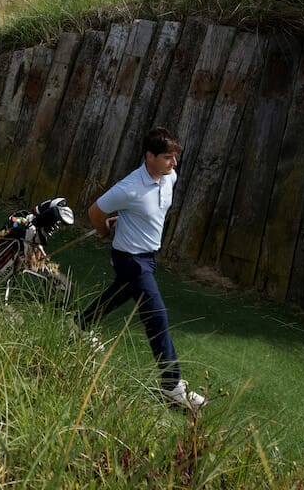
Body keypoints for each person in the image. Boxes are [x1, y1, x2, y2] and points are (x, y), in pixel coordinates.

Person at [75, 126, 207, 412]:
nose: (174, 163)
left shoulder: (169, 177)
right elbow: (95, 212)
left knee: (117, 294)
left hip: (148, 257)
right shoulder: (129, 187)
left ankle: (79, 326)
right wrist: (103, 231)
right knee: (156, 316)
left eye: (175, 157)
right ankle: (172, 386)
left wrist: (126, 219)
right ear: (149, 156)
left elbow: (150, 211)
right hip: (130, 259)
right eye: (168, 157)